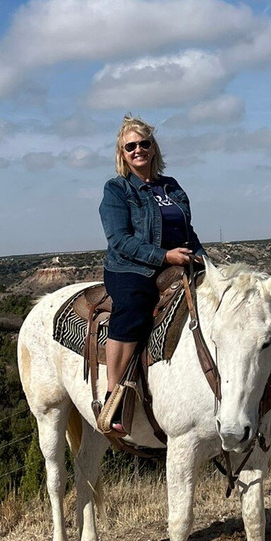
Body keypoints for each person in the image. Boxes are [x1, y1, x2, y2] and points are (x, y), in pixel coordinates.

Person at [98, 115, 206, 434]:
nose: (138, 150)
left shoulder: (171, 187)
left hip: (172, 263)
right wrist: (163, 255)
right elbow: (119, 239)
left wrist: (202, 259)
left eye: (144, 143)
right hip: (130, 266)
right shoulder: (117, 190)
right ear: (122, 154)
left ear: (153, 148)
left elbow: (188, 231)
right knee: (133, 304)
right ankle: (113, 396)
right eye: (130, 146)